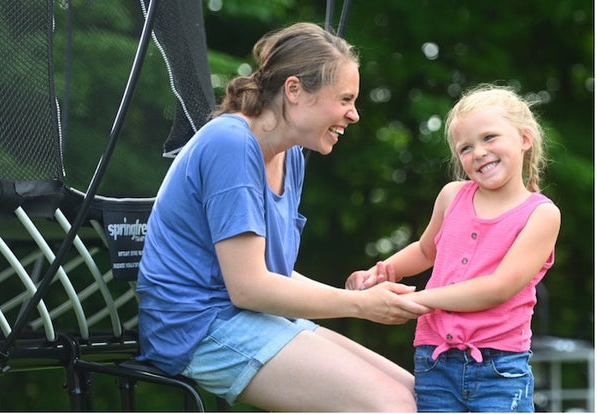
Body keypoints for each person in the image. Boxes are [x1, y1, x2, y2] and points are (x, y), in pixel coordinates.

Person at [136, 22, 430, 412]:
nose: (354, 115)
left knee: (419, 396)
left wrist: (356, 296)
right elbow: (249, 287)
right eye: (345, 98)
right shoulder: (231, 143)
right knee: (390, 407)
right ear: (294, 90)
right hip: (197, 327)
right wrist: (358, 305)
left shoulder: (290, 154)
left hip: (247, 316)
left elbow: (272, 273)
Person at [346, 84, 561, 412]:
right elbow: (424, 251)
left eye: (489, 137)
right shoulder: (452, 196)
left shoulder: (541, 214)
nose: (478, 153)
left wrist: (417, 299)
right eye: (465, 148)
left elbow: (498, 288)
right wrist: (384, 271)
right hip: (435, 359)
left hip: (499, 367)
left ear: (524, 138)